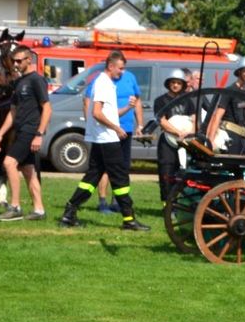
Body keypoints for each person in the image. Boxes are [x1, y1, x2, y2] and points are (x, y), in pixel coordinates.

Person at [58, 51, 150, 231]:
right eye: (120, 69)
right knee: (120, 177)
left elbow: (109, 114)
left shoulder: (106, 83)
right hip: (107, 138)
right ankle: (129, 219)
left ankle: (69, 212)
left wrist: (128, 108)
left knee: (92, 176)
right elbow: (97, 113)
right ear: (111, 66)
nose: (122, 72)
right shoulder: (102, 83)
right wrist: (116, 129)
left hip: (103, 137)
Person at [0, 46, 51, 221]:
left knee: (9, 163)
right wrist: (0, 135)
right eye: (13, 61)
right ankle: (39, 210)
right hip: (21, 129)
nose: (15, 64)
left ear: (29, 60)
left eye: (19, 61)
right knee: (28, 169)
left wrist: (39, 134)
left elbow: (47, 108)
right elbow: (13, 111)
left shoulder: (36, 80)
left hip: (30, 130)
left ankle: (15, 207)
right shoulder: (19, 82)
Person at [152, 68, 192, 203]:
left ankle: (179, 203)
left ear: (183, 85)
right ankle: (167, 205)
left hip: (185, 141)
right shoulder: (160, 101)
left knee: (183, 173)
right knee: (166, 174)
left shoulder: (188, 100)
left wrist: (189, 132)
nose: (175, 85)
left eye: (179, 83)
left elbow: (194, 118)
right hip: (167, 142)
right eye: (173, 82)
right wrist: (177, 132)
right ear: (169, 83)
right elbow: (161, 120)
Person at [207, 57, 245, 155]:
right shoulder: (230, 90)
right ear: (239, 72)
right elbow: (218, 115)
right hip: (230, 135)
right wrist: (211, 140)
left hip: (243, 137)